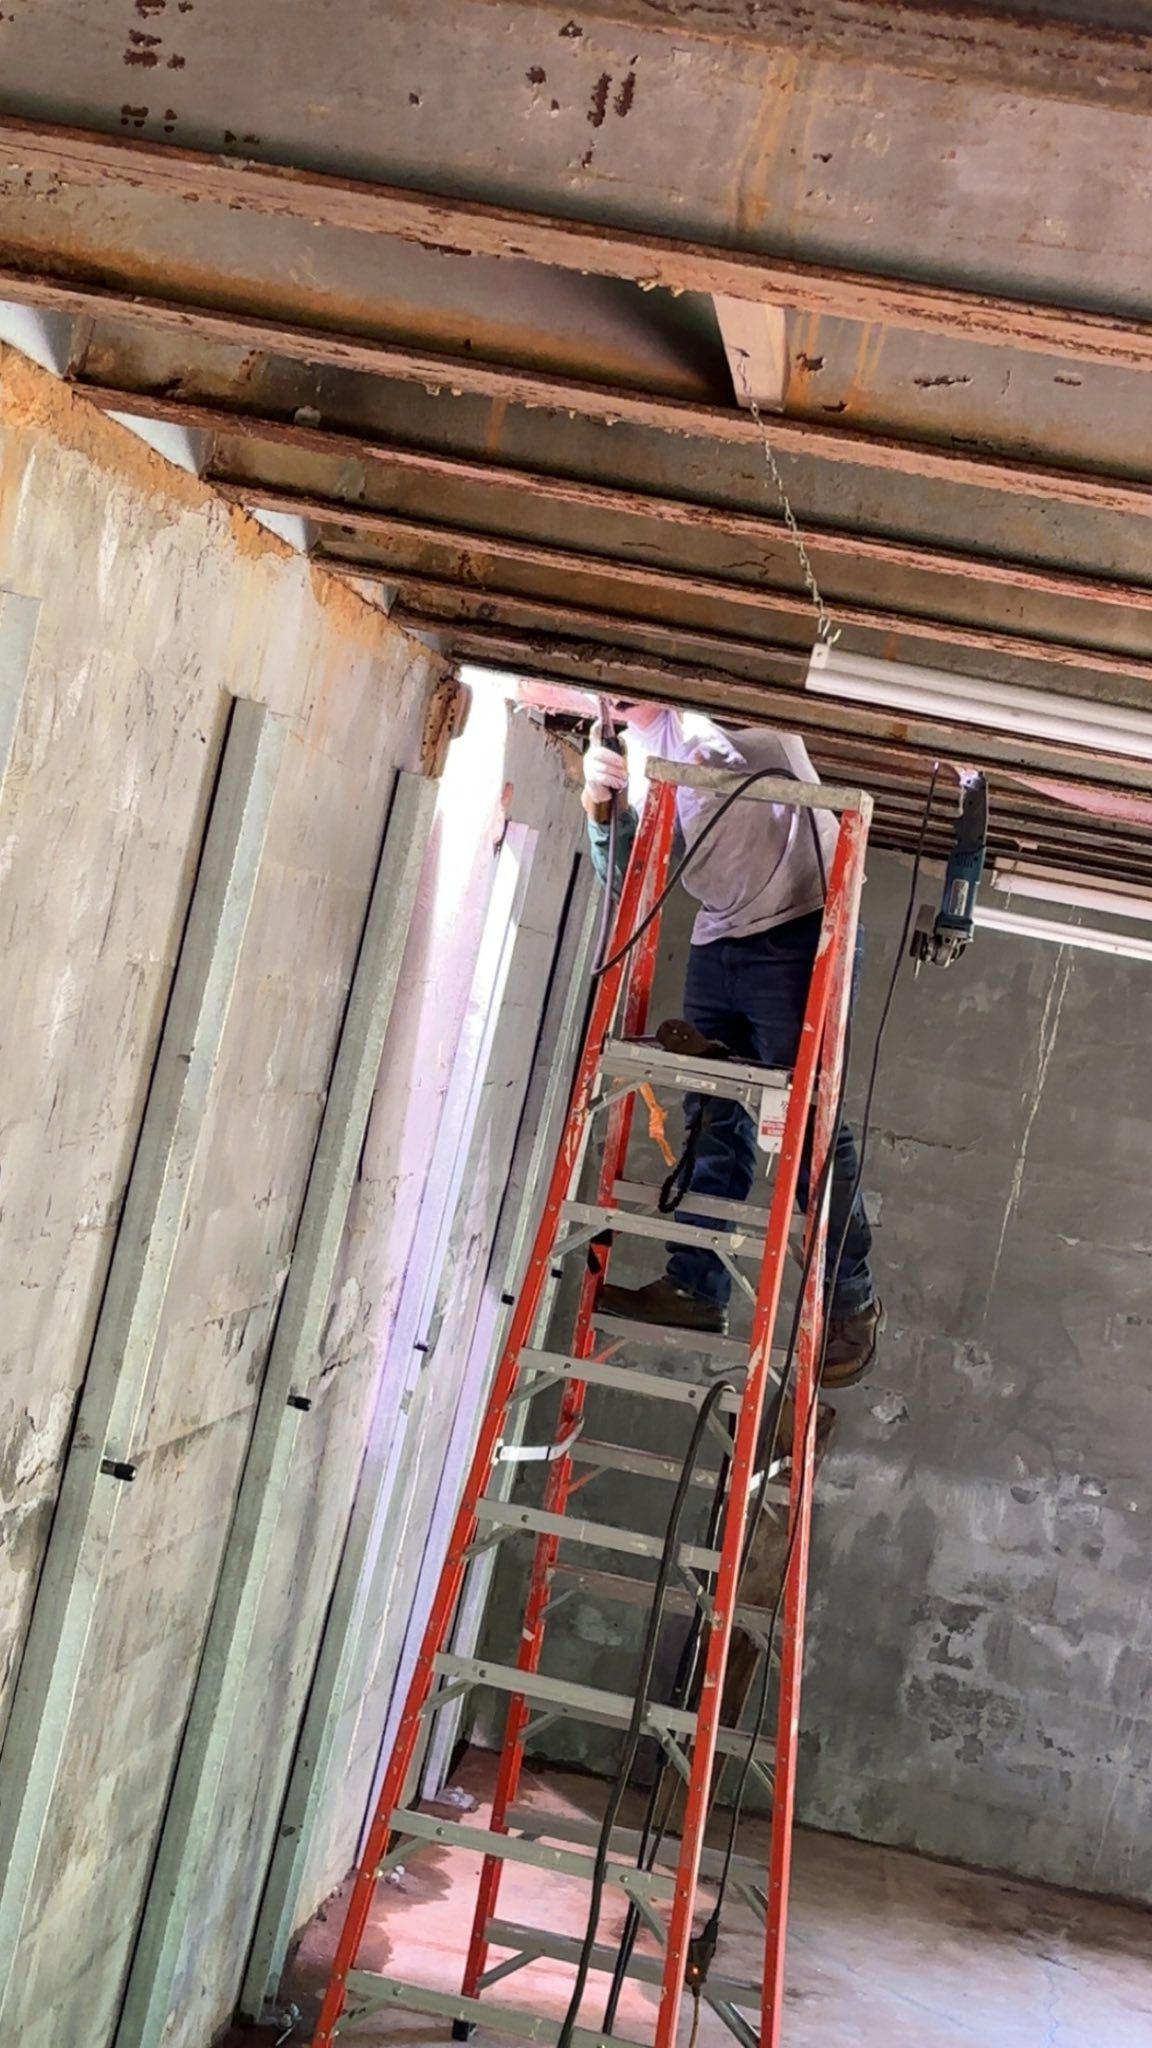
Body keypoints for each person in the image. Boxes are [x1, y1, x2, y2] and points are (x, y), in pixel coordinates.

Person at [583, 699, 881, 1389]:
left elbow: (760, 731)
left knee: (807, 1125)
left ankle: (851, 1299)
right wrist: (603, 804)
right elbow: (632, 883)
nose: (620, 702)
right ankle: (696, 1287)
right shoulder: (645, 735)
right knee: (713, 1115)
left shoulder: (729, 705)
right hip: (721, 937)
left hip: (805, 926)